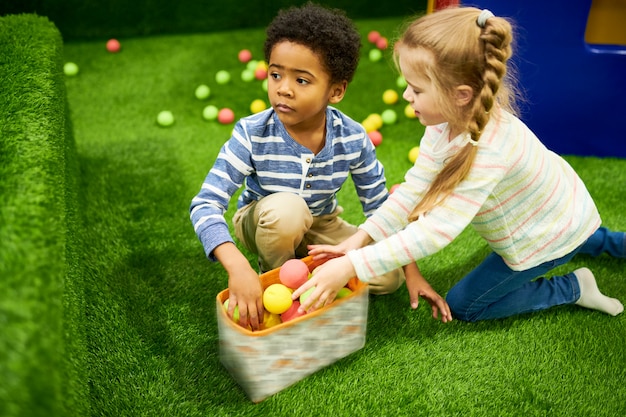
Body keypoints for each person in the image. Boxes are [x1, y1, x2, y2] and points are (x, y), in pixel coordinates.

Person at [293, 6, 624, 322]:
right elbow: (412, 193)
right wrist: (360, 238)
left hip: (545, 232)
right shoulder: (442, 125)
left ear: (461, 94)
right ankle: (589, 239)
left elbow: (437, 230)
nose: (407, 96)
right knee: (582, 235)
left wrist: (352, 266)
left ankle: (575, 286)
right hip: (561, 212)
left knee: (466, 305)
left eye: (417, 89)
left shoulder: (489, 150)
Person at [190, 2, 429, 330]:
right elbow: (205, 203)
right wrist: (237, 267)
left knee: (388, 277)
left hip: (322, 224)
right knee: (288, 211)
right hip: (264, 220)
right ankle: (274, 275)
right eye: (275, 74)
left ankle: (307, 267)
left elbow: (381, 208)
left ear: (336, 90)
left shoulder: (354, 138)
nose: (283, 88)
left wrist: (410, 271)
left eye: (301, 80)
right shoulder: (251, 132)